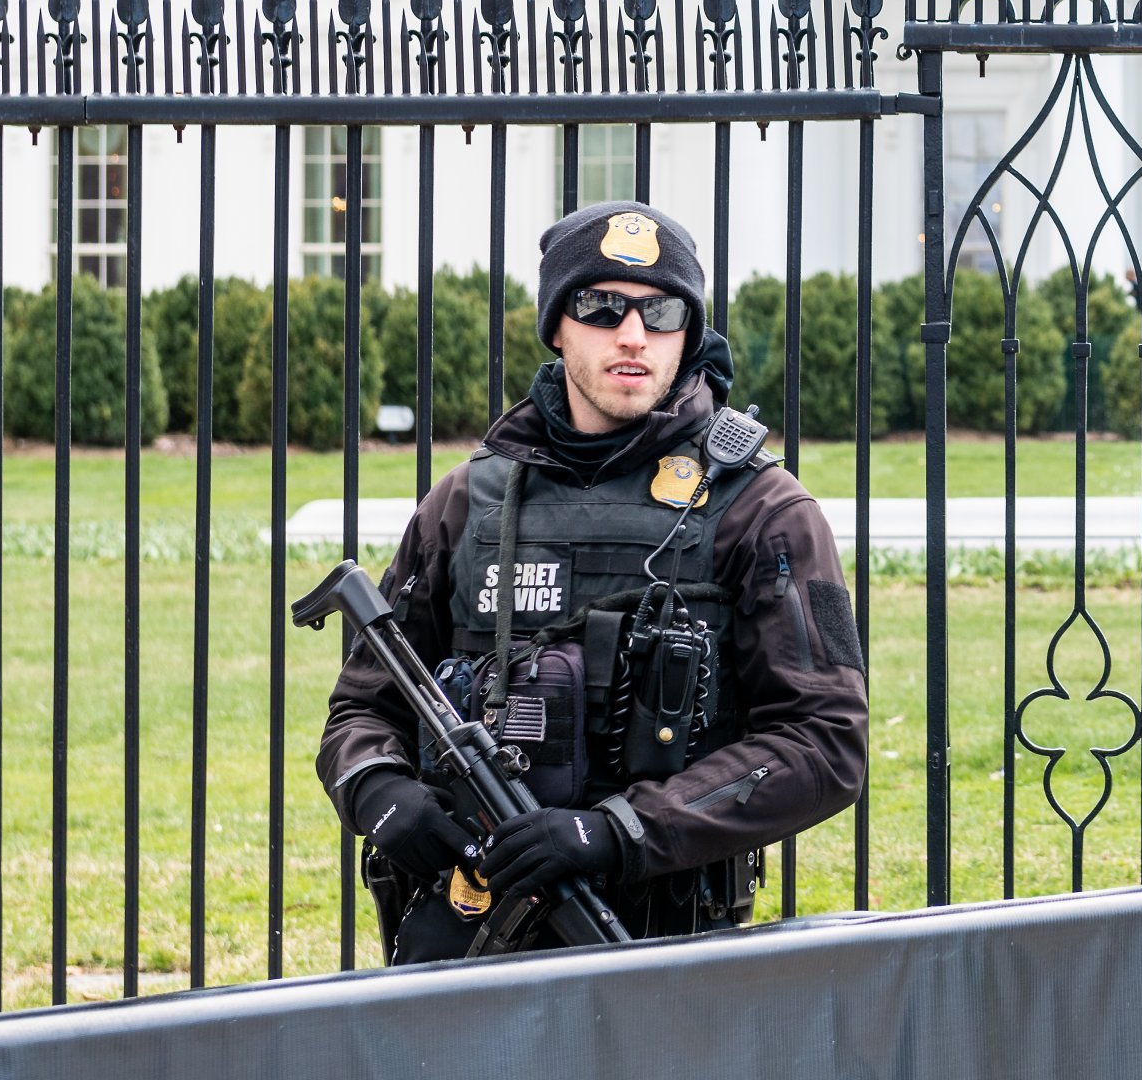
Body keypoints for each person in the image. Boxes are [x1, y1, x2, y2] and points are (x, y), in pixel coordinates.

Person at [317, 200, 868, 962]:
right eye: (601, 307)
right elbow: (362, 708)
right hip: (465, 932)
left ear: (691, 331)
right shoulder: (465, 503)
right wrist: (380, 791)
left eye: (661, 310)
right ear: (558, 326)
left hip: (663, 938)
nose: (633, 334)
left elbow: (825, 742)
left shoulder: (765, 509)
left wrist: (617, 830)